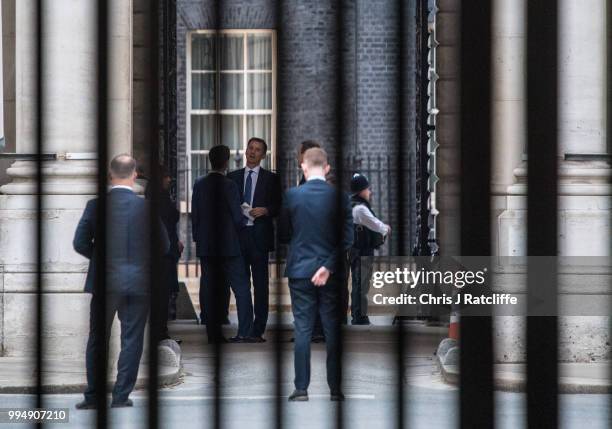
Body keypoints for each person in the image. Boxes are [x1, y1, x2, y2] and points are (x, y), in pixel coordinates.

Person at [73, 154, 170, 409]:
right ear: (135, 174)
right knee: (132, 340)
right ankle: (121, 395)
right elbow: (165, 245)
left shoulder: (95, 205)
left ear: (109, 175)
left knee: (97, 339)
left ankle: (94, 395)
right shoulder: (146, 208)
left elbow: (80, 243)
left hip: (105, 283)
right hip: (138, 282)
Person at [280, 147, 353, 402]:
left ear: (303, 166)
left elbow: (284, 234)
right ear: (327, 168)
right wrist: (327, 267)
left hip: (300, 270)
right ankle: (335, 389)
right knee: (333, 329)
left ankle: (301, 388)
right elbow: (347, 239)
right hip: (331, 273)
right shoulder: (341, 198)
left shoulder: (292, 196)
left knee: (302, 329)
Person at [191, 144, 255, 343]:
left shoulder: (199, 184)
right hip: (228, 246)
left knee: (210, 289)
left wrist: (199, 239)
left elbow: (196, 216)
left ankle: (213, 333)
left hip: (207, 247)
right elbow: (237, 217)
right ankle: (245, 331)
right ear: (226, 162)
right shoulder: (229, 185)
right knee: (241, 288)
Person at [228, 137, 281, 342]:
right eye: (250, 148)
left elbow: (279, 206)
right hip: (239, 238)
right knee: (242, 287)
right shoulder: (232, 177)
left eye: (257, 150)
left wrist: (266, 210)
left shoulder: (271, 179)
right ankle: (244, 329)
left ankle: (257, 331)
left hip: (259, 237)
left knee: (260, 286)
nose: (252, 152)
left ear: (263, 155)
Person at [145, 167, 184, 339]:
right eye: (167, 176)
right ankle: (160, 331)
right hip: (162, 252)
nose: (169, 179)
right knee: (161, 293)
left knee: (163, 292)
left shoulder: (160, 196)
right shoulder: (159, 198)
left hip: (165, 249)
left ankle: (161, 330)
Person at [349, 173, 390, 325]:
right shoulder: (360, 208)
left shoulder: (352, 204)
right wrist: (386, 229)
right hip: (362, 251)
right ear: (361, 190)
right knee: (362, 285)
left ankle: (357, 315)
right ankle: (360, 317)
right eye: (367, 189)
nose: (370, 192)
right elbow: (377, 225)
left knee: (357, 284)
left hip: (355, 251)